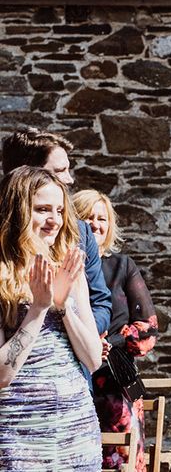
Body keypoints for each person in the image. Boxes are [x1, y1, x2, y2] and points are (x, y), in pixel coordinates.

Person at [0, 166, 102, 469]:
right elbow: (1, 376)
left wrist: (61, 305)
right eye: (43, 209)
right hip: (17, 438)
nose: (54, 220)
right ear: (16, 212)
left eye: (59, 210)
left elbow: (93, 359)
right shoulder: (3, 275)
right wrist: (38, 308)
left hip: (76, 433)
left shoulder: (69, 270)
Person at [73, 189, 159, 472]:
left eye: (102, 218)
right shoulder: (64, 267)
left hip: (115, 384)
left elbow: (149, 329)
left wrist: (114, 340)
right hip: (73, 379)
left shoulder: (122, 266)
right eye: (87, 216)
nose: (95, 224)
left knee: (120, 461)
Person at [2, 128, 112, 337]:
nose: (69, 179)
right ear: (28, 175)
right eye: (60, 170)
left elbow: (101, 303)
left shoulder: (80, 231)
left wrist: (83, 336)